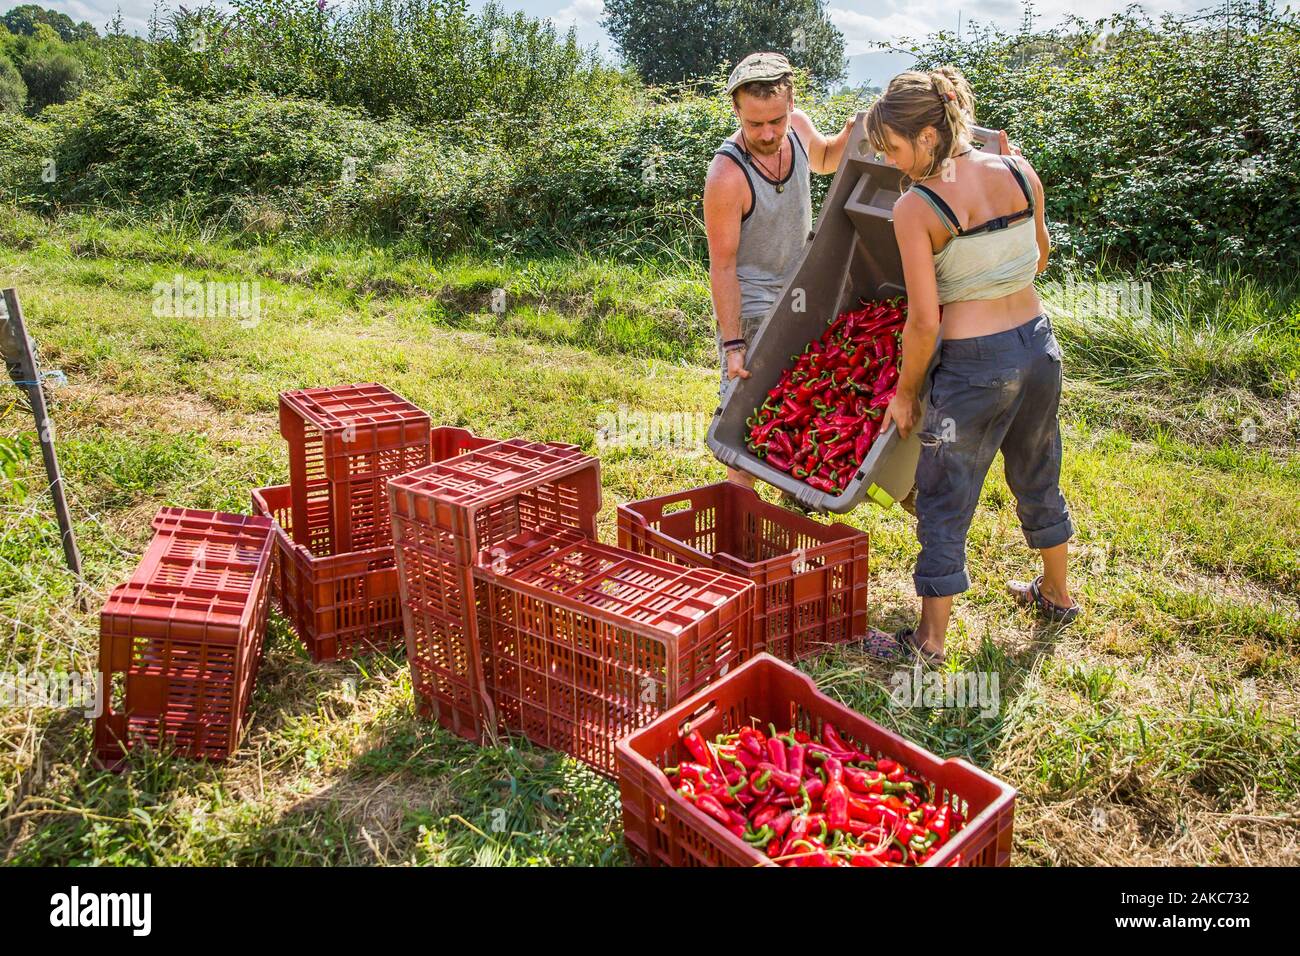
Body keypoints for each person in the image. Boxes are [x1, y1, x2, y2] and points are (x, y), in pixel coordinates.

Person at [861, 66, 1080, 664]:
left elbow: (925, 321)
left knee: (942, 493)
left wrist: (905, 395)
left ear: (928, 138)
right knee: (1038, 468)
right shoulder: (1017, 169)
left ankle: (930, 643)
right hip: (1038, 347)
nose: (891, 161)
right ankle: (1057, 594)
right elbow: (1040, 255)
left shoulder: (917, 206)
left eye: (895, 148)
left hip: (974, 366)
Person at [703, 52, 854, 488]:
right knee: (744, 421)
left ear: (791, 105)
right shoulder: (727, 176)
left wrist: (850, 131)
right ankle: (739, 525)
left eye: (777, 120)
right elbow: (723, 266)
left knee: (803, 400)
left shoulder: (800, 128)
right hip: (752, 307)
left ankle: (800, 491)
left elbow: (824, 158)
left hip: (801, 294)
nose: (768, 134)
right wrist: (733, 344)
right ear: (736, 110)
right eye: (754, 124)